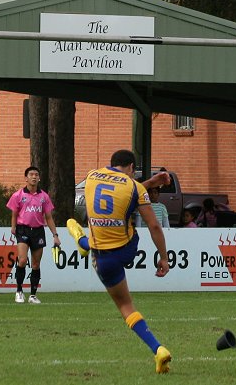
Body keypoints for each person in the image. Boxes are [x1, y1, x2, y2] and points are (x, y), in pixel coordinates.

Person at [67, 150, 171, 374]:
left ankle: (82, 241)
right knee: (130, 218)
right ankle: (82, 242)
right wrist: (163, 257)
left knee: (126, 307)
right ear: (132, 167)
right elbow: (153, 225)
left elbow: (118, 190)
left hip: (102, 259)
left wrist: (151, 182)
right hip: (125, 250)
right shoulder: (135, 187)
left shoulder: (92, 176)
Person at [6, 166, 61, 304]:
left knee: (36, 264)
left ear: (39, 178)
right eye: (31, 174)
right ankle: (19, 291)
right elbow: (14, 213)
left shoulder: (44, 196)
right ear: (26, 178)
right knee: (23, 260)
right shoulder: (18, 195)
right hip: (23, 229)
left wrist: (55, 235)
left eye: (36, 174)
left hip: (38, 231)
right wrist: (13, 227)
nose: (34, 177)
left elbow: (48, 217)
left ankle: (33, 295)